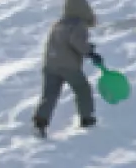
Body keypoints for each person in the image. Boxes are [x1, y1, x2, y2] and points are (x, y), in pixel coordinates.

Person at [34, 0, 103, 138]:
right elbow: (77, 42)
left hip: (50, 65)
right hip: (68, 66)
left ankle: (40, 121)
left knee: (50, 94)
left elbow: (61, 42)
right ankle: (86, 118)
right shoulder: (78, 25)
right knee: (82, 89)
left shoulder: (58, 24)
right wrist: (90, 52)